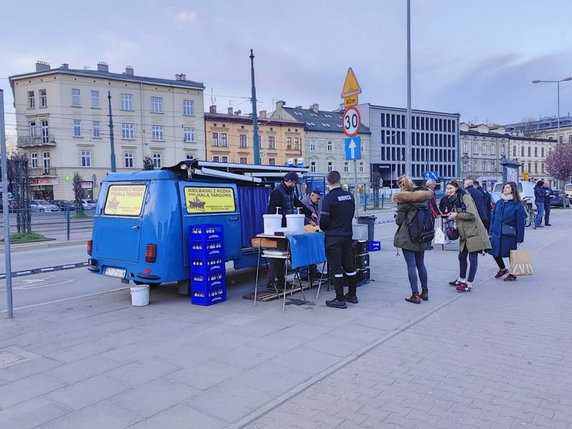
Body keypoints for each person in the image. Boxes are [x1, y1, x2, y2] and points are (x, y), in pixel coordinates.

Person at [267, 172, 317, 290]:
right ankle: (272, 282)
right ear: (289, 181)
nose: (295, 185)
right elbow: (273, 211)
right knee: (278, 256)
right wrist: (281, 225)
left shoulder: (289, 192)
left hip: (287, 227)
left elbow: (297, 203)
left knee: (283, 255)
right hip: (279, 228)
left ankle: (281, 281)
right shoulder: (277, 192)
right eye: (294, 183)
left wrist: (310, 214)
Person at [320, 171, 357, 309]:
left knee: (336, 268)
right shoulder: (349, 196)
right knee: (349, 265)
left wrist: (325, 227)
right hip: (347, 236)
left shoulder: (328, 198)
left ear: (328, 182)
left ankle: (339, 299)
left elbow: (323, 221)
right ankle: (352, 295)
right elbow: (351, 214)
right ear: (339, 180)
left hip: (333, 237)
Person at [445, 180, 491, 292]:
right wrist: (455, 222)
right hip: (465, 233)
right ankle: (461, 279)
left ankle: (469, 283)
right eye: (447, 189)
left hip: (474, 232)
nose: (448, 191)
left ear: (457, 188)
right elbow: (461, 216)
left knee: (472, 258)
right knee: (461, 256)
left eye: (450, 188)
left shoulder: (465, 197)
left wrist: (457, 215)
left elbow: (472, 215)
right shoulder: (455, 200)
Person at [393, 175, 433, 303]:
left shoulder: (403, 200)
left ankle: (415, 295)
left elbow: (399, 221)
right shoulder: (424, 197)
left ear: (401, 185)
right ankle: (425, 292)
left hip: (408, 236)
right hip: (422, 234)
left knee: (411, 265)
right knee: (421, 264)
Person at [489, 182, 526, 282]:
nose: (505, 189)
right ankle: (502, 269)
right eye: (504, 187)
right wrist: (490, 231)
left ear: (512, 189)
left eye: (508, 187)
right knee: (493, 251)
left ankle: (513, 274)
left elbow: (520, 222)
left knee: (511, 254)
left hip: (509, 233)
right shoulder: (499, 202)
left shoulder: (517, 205)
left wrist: (520, 237)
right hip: (496, 232)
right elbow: (493, 218)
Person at [299, 189, 323, 280]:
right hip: (305, 230)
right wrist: (308, 221)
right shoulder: (304, 202)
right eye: (318, 198)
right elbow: (299, 215)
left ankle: (313, 270)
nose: (319, 200)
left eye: (320, 199)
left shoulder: (317, 203)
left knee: (312, 251)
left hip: (313, 230)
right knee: (305, 252)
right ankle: (304, 273)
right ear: (312, 195)